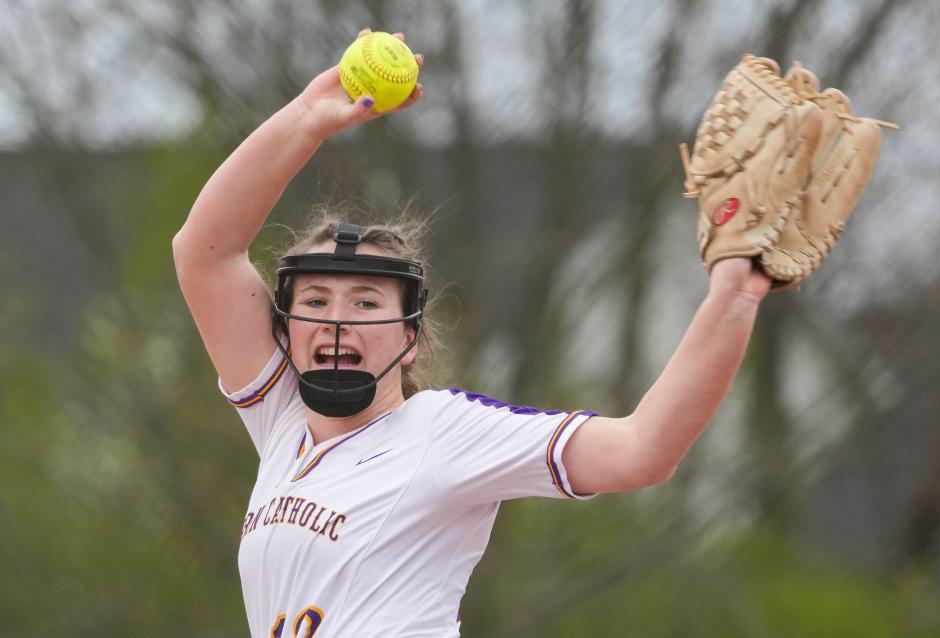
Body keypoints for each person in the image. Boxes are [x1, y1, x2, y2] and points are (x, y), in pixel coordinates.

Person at [173, 29, 771, 638]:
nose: (336, 318)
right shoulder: (283, 423)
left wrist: (736, 295)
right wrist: (305, 118)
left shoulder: (440, 432)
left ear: (410, 339)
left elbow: (642, 449)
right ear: (289, 325)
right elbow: (204, 253)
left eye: (365, 301)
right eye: (316, 299)